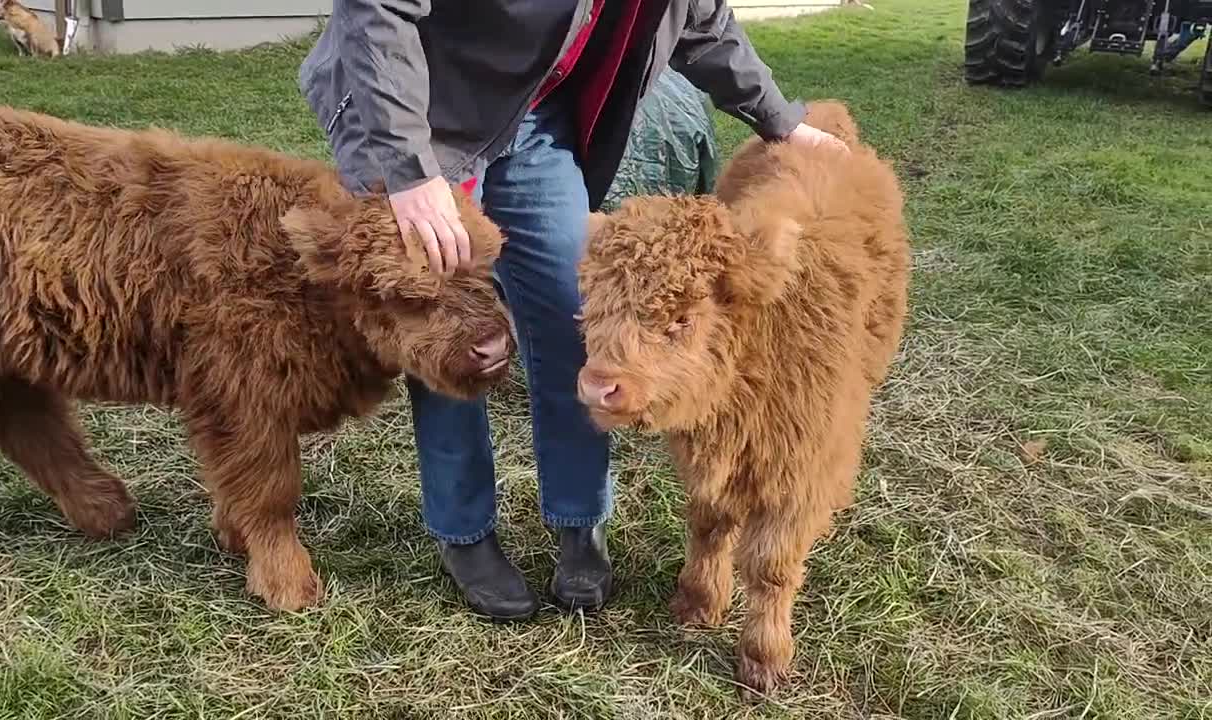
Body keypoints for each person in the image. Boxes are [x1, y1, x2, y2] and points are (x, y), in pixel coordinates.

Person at [299, 0, 844, 621]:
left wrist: (782, 121)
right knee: (446, 326)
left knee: (572, 317)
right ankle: (466, 534)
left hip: (533, 118)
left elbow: (702, 21)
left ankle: (579, 521)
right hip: (419, 108)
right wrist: (406, 166)